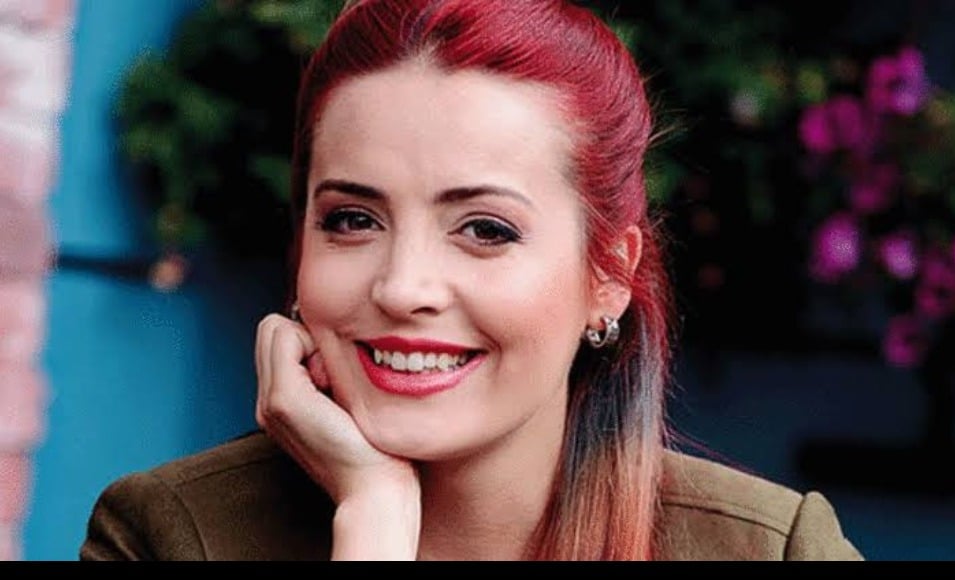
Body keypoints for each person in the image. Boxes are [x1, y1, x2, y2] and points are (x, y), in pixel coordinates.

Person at [79, 0, 863, 561]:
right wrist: (374, 520)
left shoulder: (768, 548)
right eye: (353, 219)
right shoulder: (171, 536)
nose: (402, 287)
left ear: (608, 277)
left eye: (486, 230)